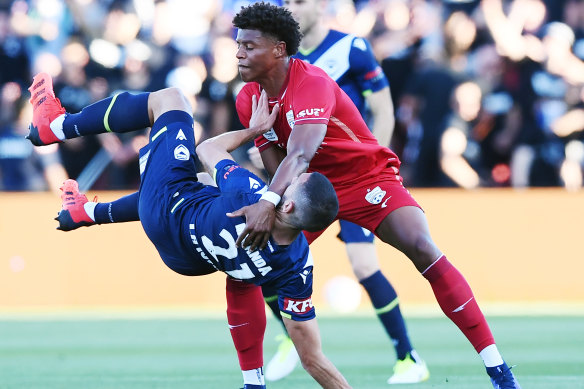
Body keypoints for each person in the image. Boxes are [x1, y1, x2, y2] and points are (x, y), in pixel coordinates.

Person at [230, 3, 521, 388]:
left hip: (364, 178)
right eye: (238, 45)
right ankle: (255, 379)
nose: (238, 53)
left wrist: (268, 203)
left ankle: (497, 370)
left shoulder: (313, 81)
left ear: (280, 49)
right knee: (246, 261)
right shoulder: (248, 99)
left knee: (422, 246)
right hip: (309, 188)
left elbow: (300, 153)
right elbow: (278, 167)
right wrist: (260, 139)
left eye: (249, 46)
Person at [27, 72, 351, 389]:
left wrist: (256, 129)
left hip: (167, 209)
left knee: (171, 100)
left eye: (293, 184)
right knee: (245, 271)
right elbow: (312, 358)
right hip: (187, 261)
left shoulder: (249, 196)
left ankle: (55, 126)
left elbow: (207, 150)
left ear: (289, 206)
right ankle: (253, 382)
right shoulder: (297, 264)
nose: (286, 181)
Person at [255, 0, 429, 384]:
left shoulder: (351, 48)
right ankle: (290, 341)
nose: (291, 8)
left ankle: (408, 357)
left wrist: (373, 172)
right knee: (264, 258)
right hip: (307, 182)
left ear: (321, 4)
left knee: (365, 265)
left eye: (299, 1)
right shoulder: (276, 61)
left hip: (354, 179)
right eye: (286, 2)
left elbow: (382, 109)